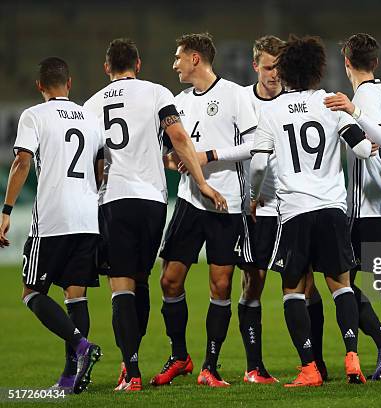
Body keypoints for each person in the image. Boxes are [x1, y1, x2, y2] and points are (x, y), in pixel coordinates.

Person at [84, 38, 225, 391]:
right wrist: (202, 184)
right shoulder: (159, 93)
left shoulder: (91, 104)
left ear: (106, 68)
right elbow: (178, 136)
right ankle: (130, 363)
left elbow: (94, 162)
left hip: (113, 198)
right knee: (143, 278)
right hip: (152, 200)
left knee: (121, 288)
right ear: (139, 63)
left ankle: (130, 371)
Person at [250, 34, 372, 387]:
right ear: (318, 70)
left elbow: (258, 166)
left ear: (285, 72)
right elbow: (362, 150)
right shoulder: (330, 103)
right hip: (332, 208)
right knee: (341, 286)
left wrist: (252, 198)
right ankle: (352, 356)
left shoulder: (271, 111)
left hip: (295, 210)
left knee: (293, 290)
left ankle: (309, 369)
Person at [155, 33, 260, 387]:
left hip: (226, 203)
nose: (175, 64)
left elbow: (254, 145)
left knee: (220, 286)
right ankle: (179, 355)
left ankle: (210, 367)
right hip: (189, 201)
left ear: (196, 59)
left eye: (179, 57)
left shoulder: (235, 95)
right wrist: (176, 160)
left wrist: (208, 155)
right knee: (169, 280)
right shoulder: (176, 101)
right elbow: (168, 153)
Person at [0, 57, 102, 394]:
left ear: (40, 86)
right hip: (88, 217)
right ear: (69, 83)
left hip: (53, 218)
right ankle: (71, 377)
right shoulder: (90, 116)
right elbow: (100, 166)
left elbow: (22, 161)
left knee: (31, 293)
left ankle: (82, 346)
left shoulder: (34, 115)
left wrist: (6, 209)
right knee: (76, 296)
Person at [324, 33, 381, 379]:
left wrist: (353, 110)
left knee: (339, 277)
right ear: (375, 62)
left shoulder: (361, 99)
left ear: (347, 64)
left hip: (367, 208)